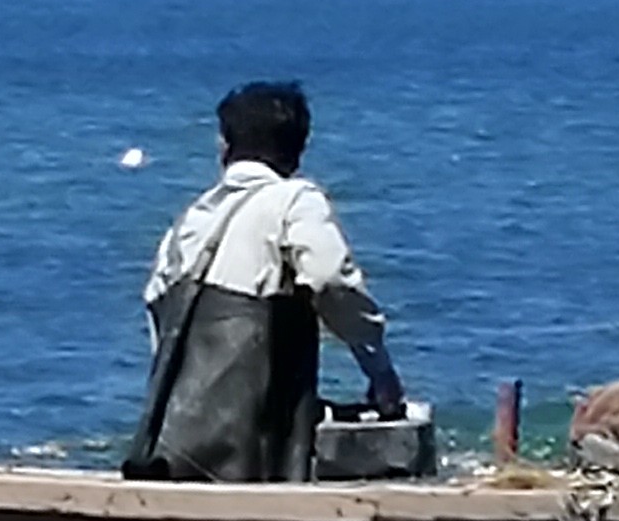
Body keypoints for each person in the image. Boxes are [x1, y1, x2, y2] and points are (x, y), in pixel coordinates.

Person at [124, 82, 407, 483]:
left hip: (172, 449)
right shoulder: (294, 201)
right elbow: (330, 281)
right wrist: (380, 374)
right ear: (299, 149)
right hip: (254, 452)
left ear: (224, 146)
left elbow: (158, 320)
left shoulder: (186, 225)